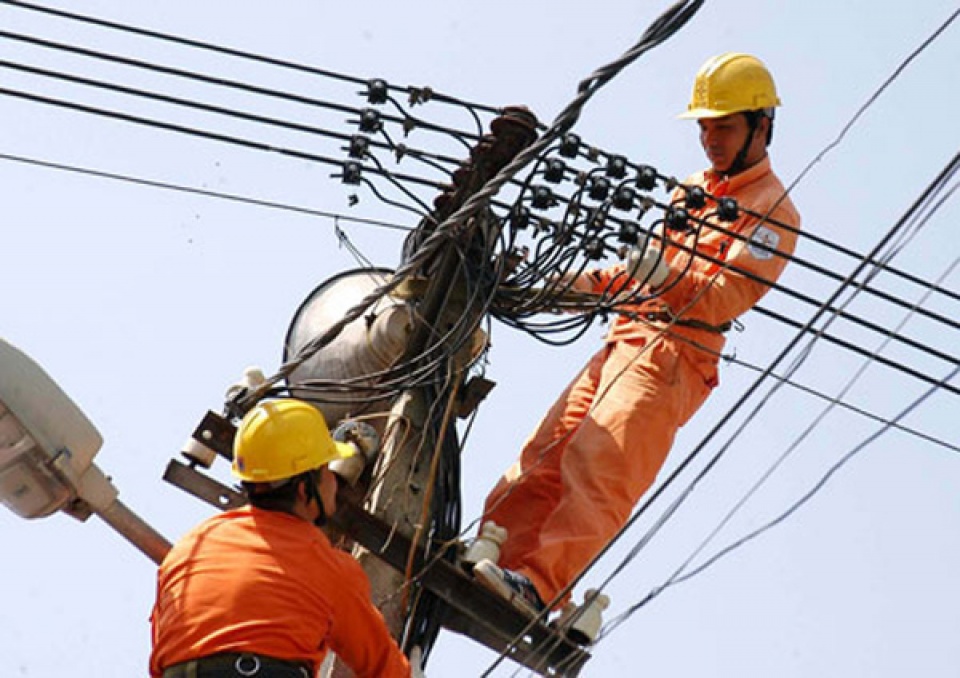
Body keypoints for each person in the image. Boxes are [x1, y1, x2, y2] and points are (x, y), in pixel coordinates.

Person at [473, 52, 802, 616]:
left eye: (723, 126)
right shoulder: (692, 189)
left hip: (675, 358)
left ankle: (538, 585)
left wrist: (659, 273)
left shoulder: (773, 212)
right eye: (704, 126)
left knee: (600, 472)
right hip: (625, 338)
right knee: (541, 461)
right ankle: (490, 560)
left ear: (761, 125)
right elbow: (628, 274)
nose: (710, 139)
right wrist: (548, 285)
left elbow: (722, 296)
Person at [150, 398, 416, 677]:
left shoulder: (192, 545)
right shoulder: (327, 566)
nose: (333, 480)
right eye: (325, 469)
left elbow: (165, 646)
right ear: (304, 489)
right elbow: (384, 667)